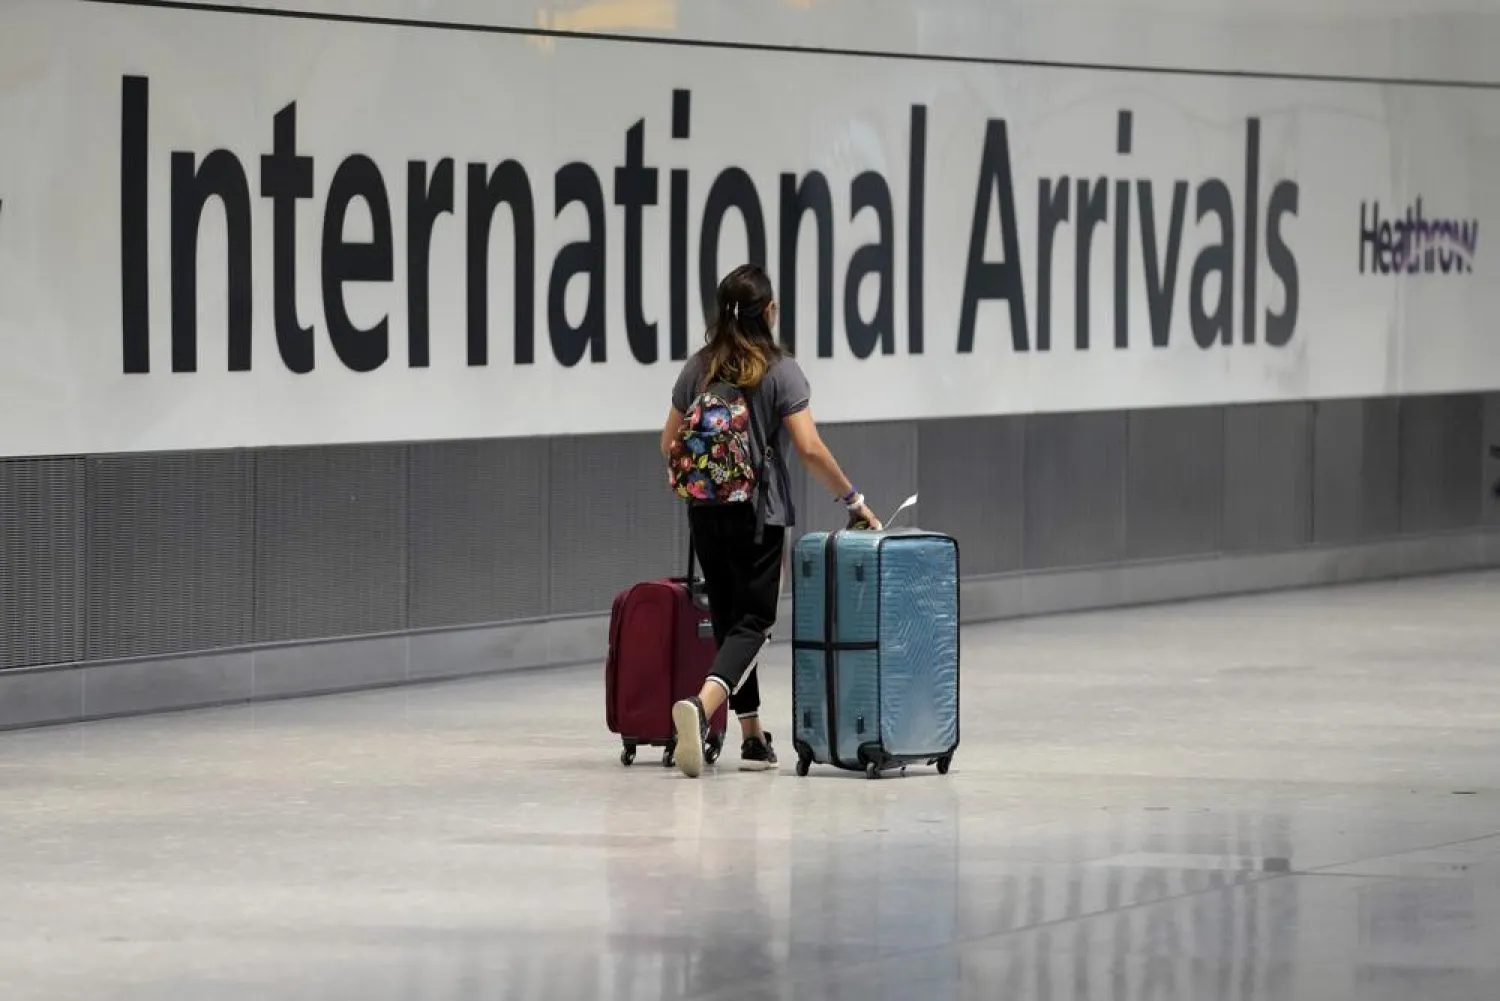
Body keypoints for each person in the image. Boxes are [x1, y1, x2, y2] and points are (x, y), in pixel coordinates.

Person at [661, 263, 881, 778]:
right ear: (770, 312)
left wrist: (704, 486)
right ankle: (698, 708)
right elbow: (808, 448)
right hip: (759, 515)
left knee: (732, 621)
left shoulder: (697, 369)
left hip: (703, 512)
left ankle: (753, 738)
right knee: (756, 624)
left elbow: (668, 445)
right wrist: (852, 499)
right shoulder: (780, 370)